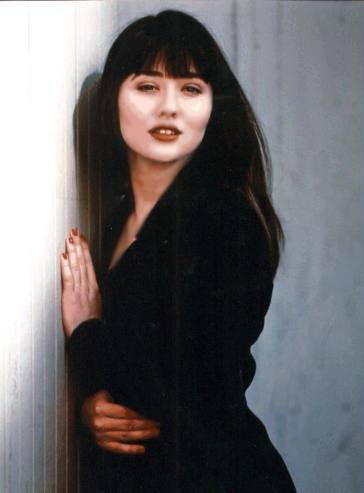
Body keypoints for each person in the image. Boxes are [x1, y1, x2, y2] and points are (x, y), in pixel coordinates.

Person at [60, 9, 297, 493]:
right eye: (148, 86)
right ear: (114, 98)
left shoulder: (228, 222)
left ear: (213, 106)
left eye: (190, 88)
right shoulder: (117, 218)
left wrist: (86, 333)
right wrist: (91, 409)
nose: (169, 108)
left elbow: (188, 391)